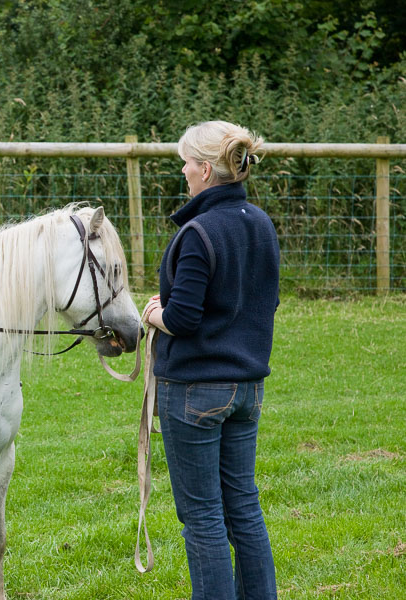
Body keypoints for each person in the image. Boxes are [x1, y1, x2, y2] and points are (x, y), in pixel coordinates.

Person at [141, 120, 279, 599]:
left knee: (202, 517)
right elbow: (265, 302)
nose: (181, 170)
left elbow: (183, 318)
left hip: (195, 392)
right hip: (248, 389)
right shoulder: (260, 223)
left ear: (203, 169)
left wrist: (155, 313)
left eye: (185, 162)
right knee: (243, 506)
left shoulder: (198, 232)